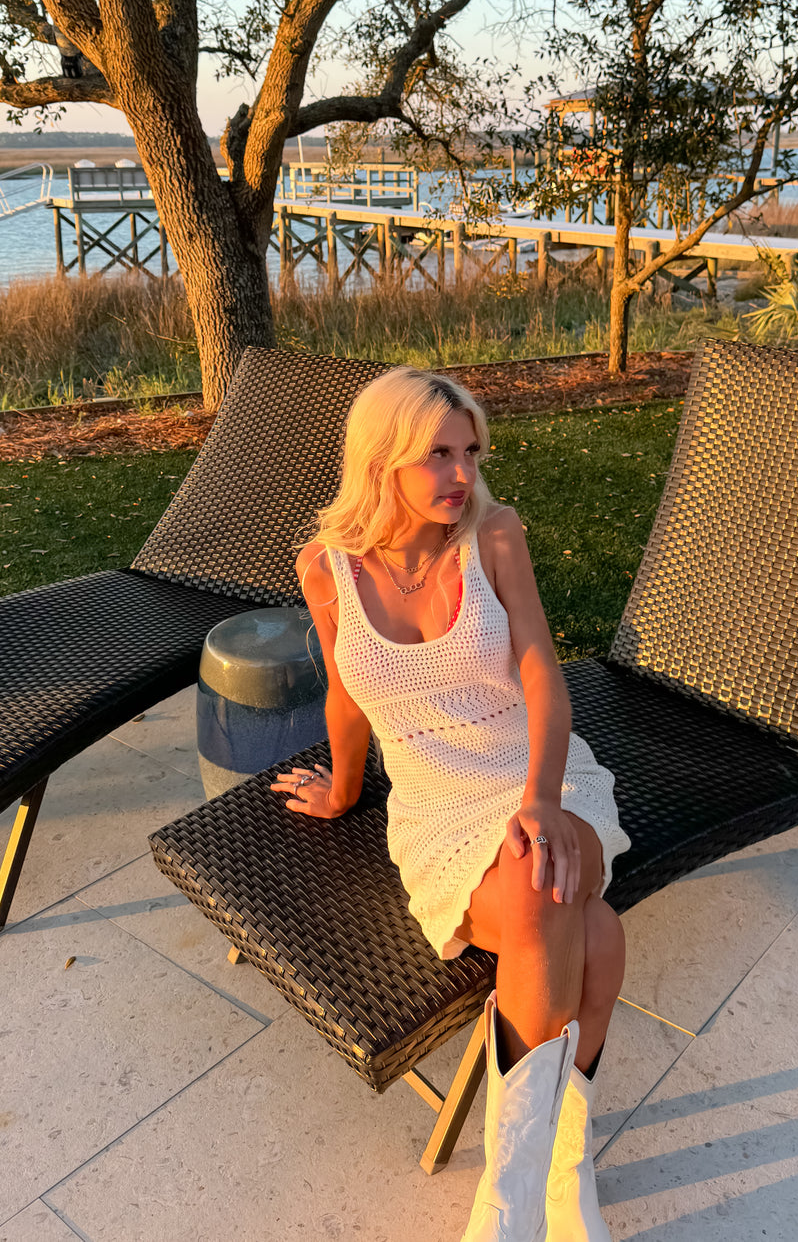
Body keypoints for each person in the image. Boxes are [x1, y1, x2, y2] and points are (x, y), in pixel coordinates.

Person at [272, 366, 630, 1241]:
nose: (461, 473)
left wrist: (543, 799)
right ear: (382, 457)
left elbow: (544, 673)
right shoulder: (326, 566)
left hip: (541, 773)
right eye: (438, 452)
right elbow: (347, 699)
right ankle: (565, 1162)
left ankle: (506, 1201)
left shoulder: (494, 536)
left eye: (470, 450)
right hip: (436, 805)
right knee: (595, 930)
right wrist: (346, 788)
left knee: (542, 879)